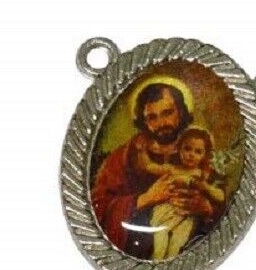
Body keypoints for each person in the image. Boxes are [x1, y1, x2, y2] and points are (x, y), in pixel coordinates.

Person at [91, 82, 221, 259]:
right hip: (137, 246)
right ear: (143, 122)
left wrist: (206, 209)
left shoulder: (197, 152)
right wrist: (145, 199)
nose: (161, 123)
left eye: (167, 113)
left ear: (181, 112)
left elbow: (222, 201)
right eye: (152, 117)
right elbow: (98, 207)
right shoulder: (126, 156)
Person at [134, 127, 225, 260]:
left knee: (177, 244)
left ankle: (171, 267)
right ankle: (157, 264)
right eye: (187, 149)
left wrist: (206, 187)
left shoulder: (202, 175)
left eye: (198, 151)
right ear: (179, 149)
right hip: (167, 211)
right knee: (160, 238)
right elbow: (148, 166)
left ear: (204, 155)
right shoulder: (172, 169)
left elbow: (220, 196)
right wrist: (141, 150)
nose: (191, 154)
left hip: (187, 215)